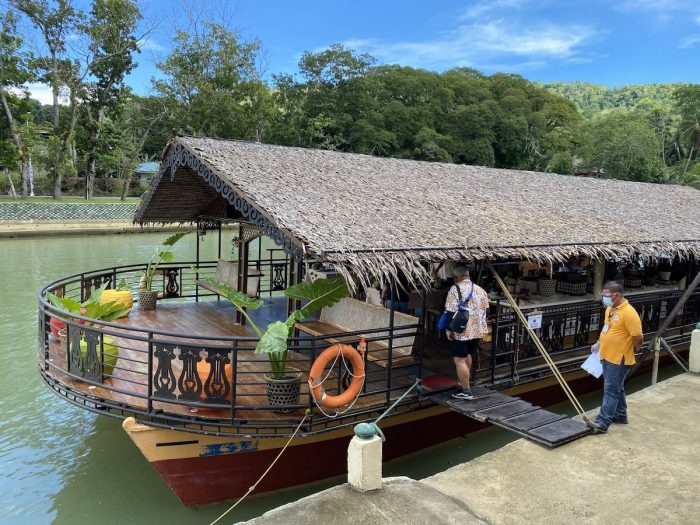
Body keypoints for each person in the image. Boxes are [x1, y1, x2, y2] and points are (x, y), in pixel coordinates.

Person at [588, 281, 643, 433]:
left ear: (616, 295)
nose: (603, 298)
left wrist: (632, 350)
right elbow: (607, 328)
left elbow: (638, 337)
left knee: (610, 390)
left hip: (619, 358)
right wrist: (599, 343)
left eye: (605, 295)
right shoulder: (610, 309)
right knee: (617, 388)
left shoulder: (629, 313)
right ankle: (620, 414)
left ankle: (602, 422)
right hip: (606, 355)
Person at [445, 266, 489, 400]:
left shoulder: (455, 289)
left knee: (459, 360)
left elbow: (450, 311)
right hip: (477, 330)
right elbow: (486, 309)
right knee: (468, 355)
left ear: (456, 277)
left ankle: (466, 391)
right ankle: (464, 381)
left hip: (461, 330)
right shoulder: (480, 290)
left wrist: (448, 329)